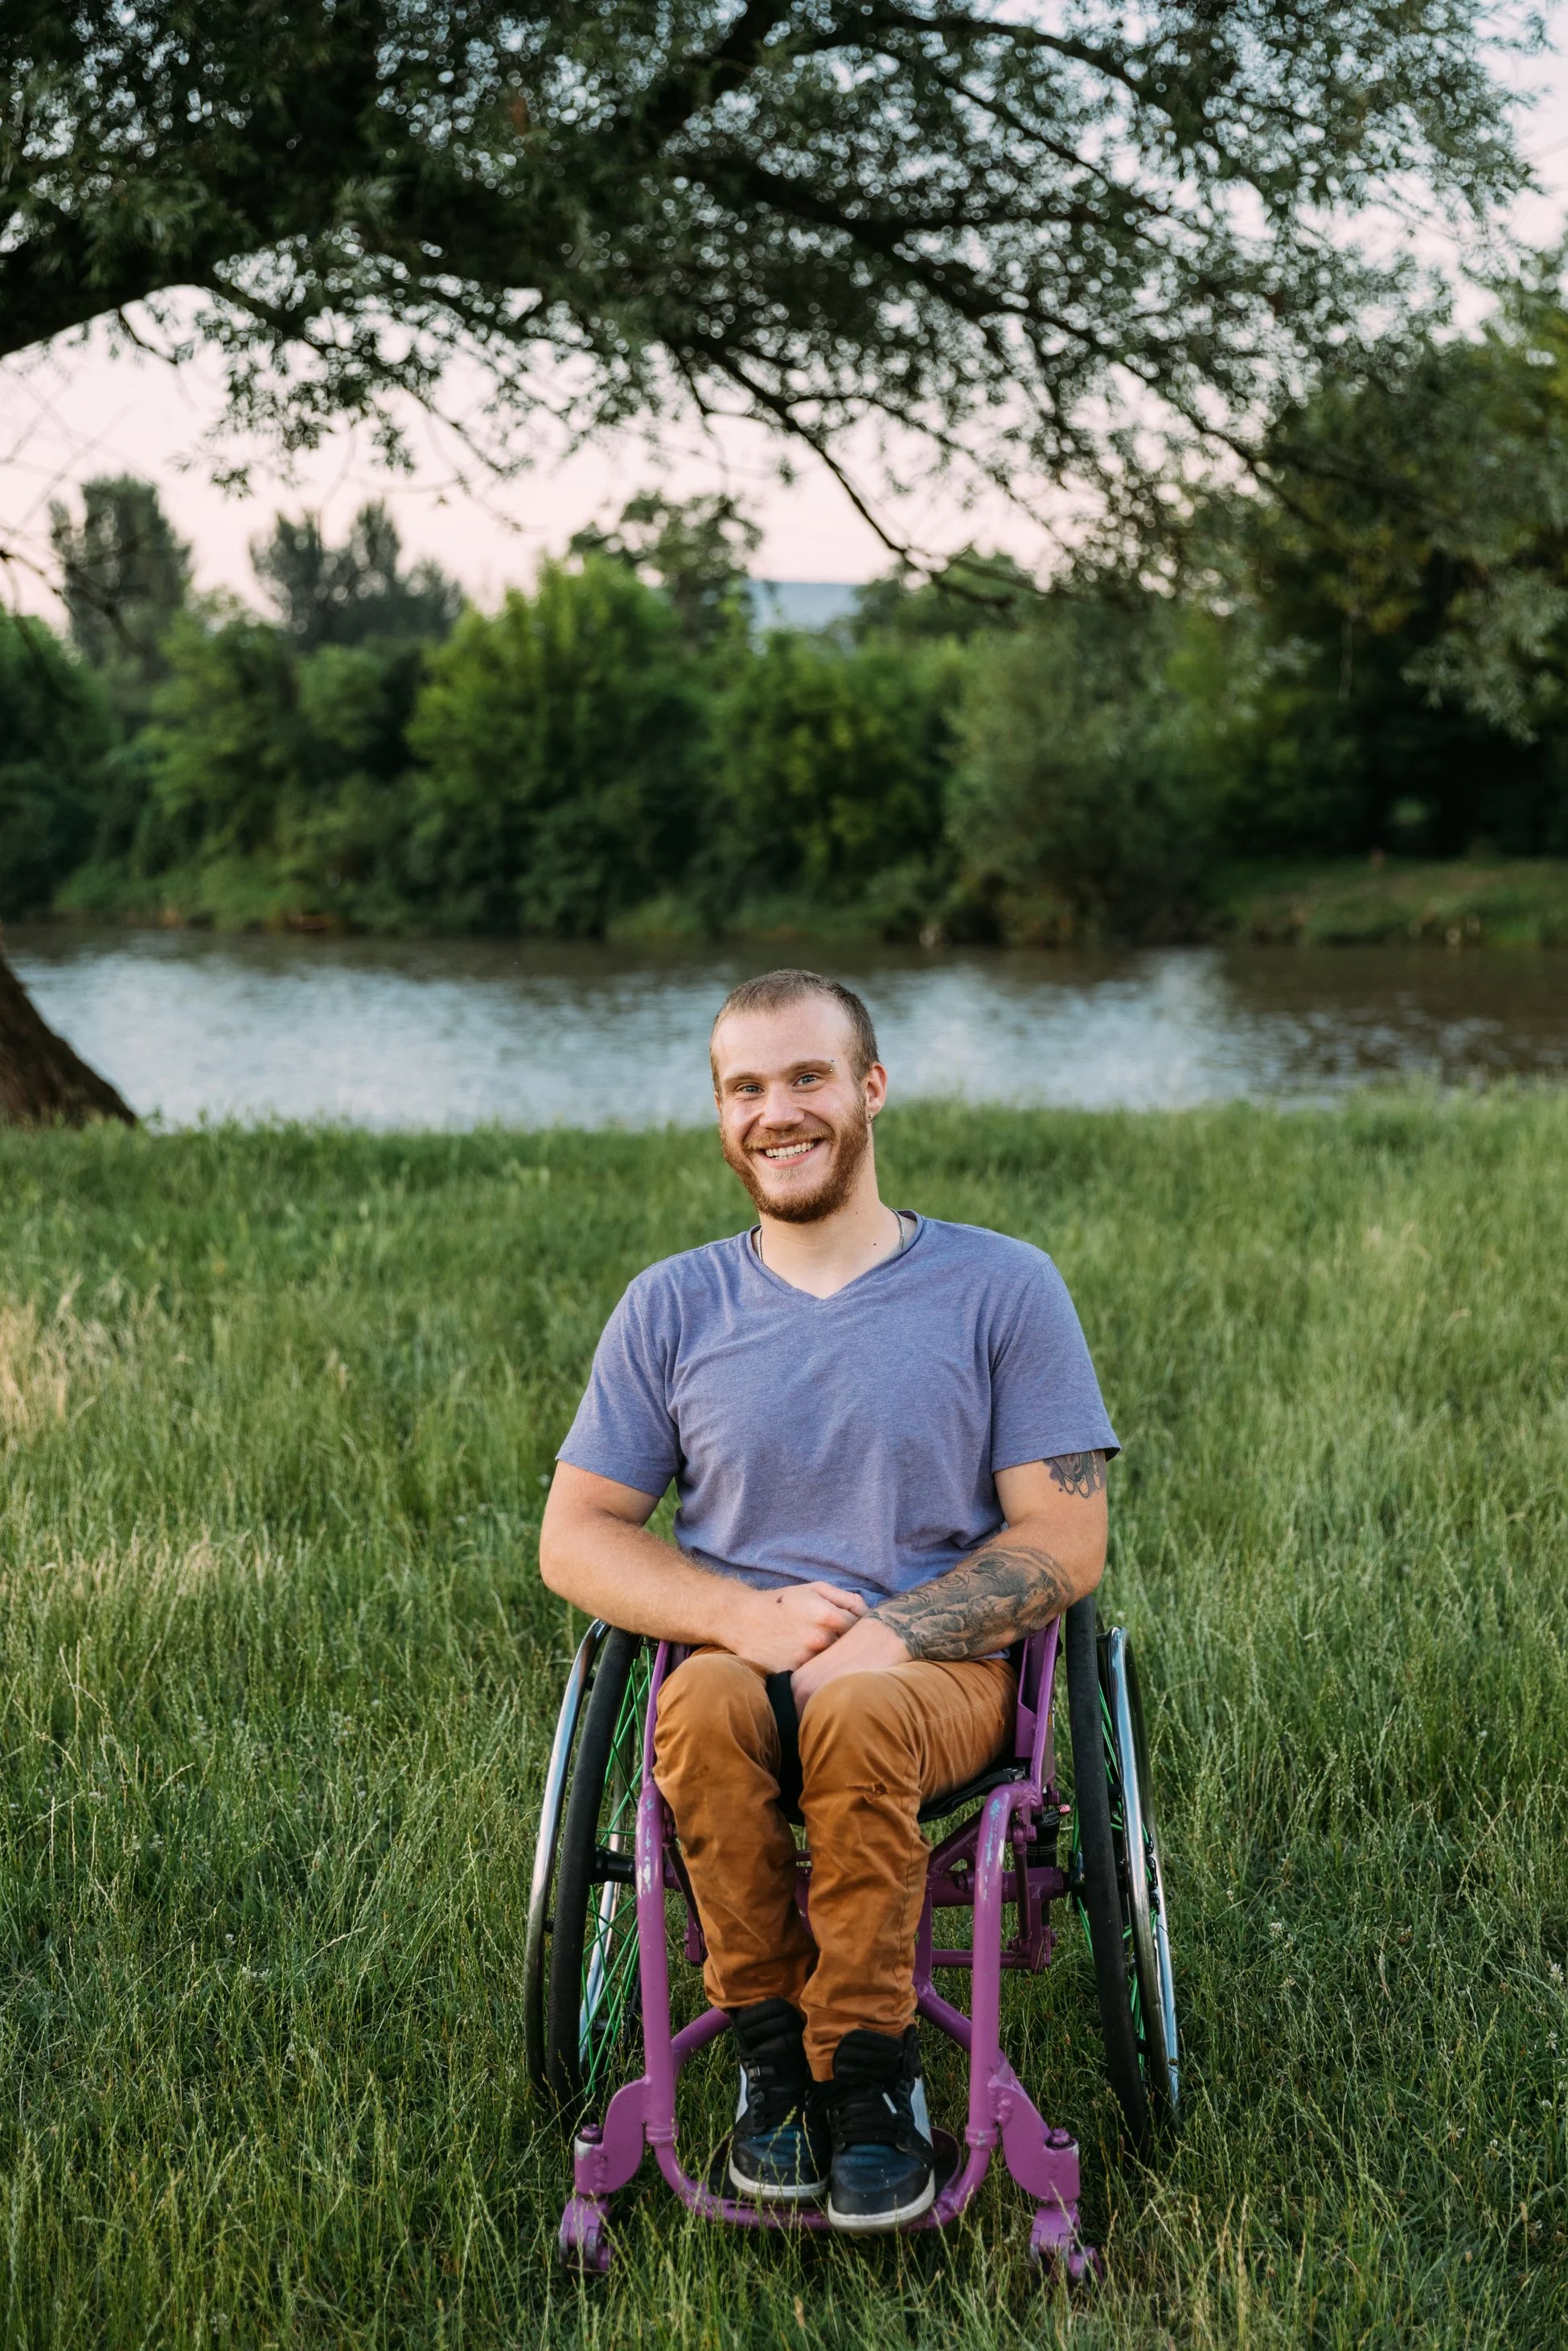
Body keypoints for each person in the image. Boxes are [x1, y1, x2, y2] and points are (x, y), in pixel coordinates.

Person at [540, 968, 1116, 2232]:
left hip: (938, 1677)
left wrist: (884, 1637)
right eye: (743, 1088)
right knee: (697, 1713)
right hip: (740, 1663)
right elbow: (575, 1536)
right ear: (720, 1113)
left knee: (855, 1714)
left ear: (868, 1088)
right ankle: (766, 2063)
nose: (774, 1112)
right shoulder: (672, 1304)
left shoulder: (1000, 1286)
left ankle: (867, 2079)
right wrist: (740, 1620)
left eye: (804, 1077)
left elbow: (1065, 1540)